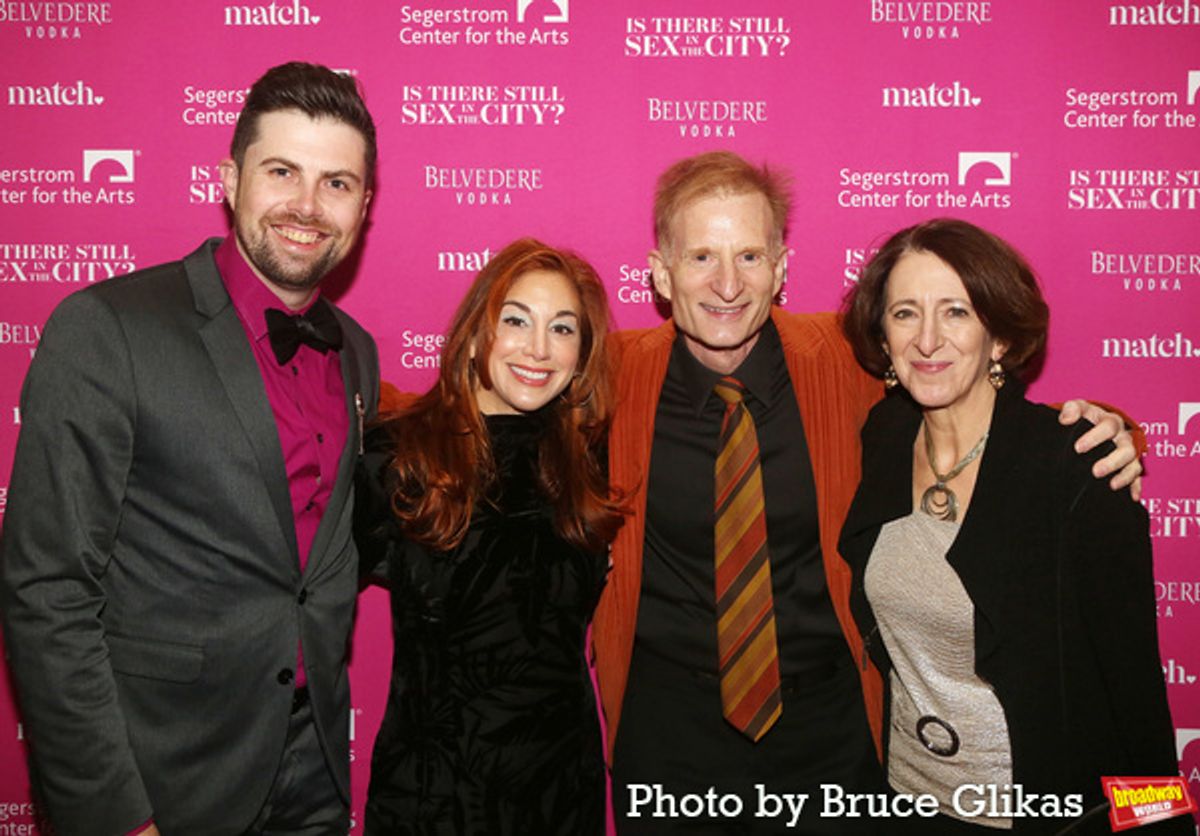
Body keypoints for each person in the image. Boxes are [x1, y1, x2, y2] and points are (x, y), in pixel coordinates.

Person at [589, 151, 1145, 834]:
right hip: (669, 747)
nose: (727, 284)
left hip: (833, 743)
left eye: (751, 257)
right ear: (660, 274)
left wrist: (1109, 429)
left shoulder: (852, 362)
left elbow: (961, 385)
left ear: (782, 269)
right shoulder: (605, 380)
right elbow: (488, 414)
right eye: (702, 256)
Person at [0, 62, 379, 836]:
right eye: (283, 172)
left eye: (337, 183)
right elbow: (46, 589)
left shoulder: (360, 353)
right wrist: (111, 812)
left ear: (364, 207)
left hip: (315, 768)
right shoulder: (109, 328)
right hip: (161, 775)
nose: (308, 206)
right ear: (230, 179)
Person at [838, 219, 1186, 834]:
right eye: (904, 314)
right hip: (904, 802)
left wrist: (1162, 821)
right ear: (882, 337)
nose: (927, 339)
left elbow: (1133, 692)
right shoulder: (885, 437)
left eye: (956, 313)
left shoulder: (1077, 467)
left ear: (997, 336)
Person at [354, 238, 620, 835]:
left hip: (559, 788)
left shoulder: (585, 464)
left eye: (562, 329)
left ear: (582, 354)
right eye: (517, 320)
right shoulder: (400, 457)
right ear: (478, 332)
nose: (538, 348)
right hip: (434, 796)